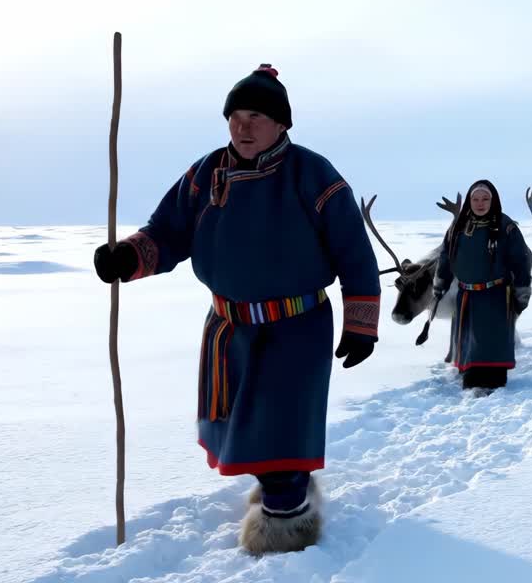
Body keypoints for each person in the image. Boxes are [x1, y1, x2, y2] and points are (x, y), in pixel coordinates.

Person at [91, 64, 381, 555]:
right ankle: (286, 488)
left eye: (256, 116)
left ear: (282, 124)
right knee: (244, 425)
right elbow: (167, 232)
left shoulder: (313, 175)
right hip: (229, 326)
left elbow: (354, 251)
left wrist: (361, 324)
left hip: (296, 325)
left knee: (280, 425)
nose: (243, 127)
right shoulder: (206, 174)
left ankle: (287, 525)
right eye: (235, 117)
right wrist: (128, 255)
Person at [432, 180, 532, 391]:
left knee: (493, 346)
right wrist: (441, 283)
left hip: (496, 297)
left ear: (493, 200)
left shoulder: (506, 227)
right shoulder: (458, 227)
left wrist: (522, 290)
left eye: (485, 199)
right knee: (470, 346)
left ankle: (495, 380)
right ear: (470, 201)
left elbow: (520, 260)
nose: (480, 203)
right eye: (475, 199)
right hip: (467, 297)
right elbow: (445, 257)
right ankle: (472, 378)